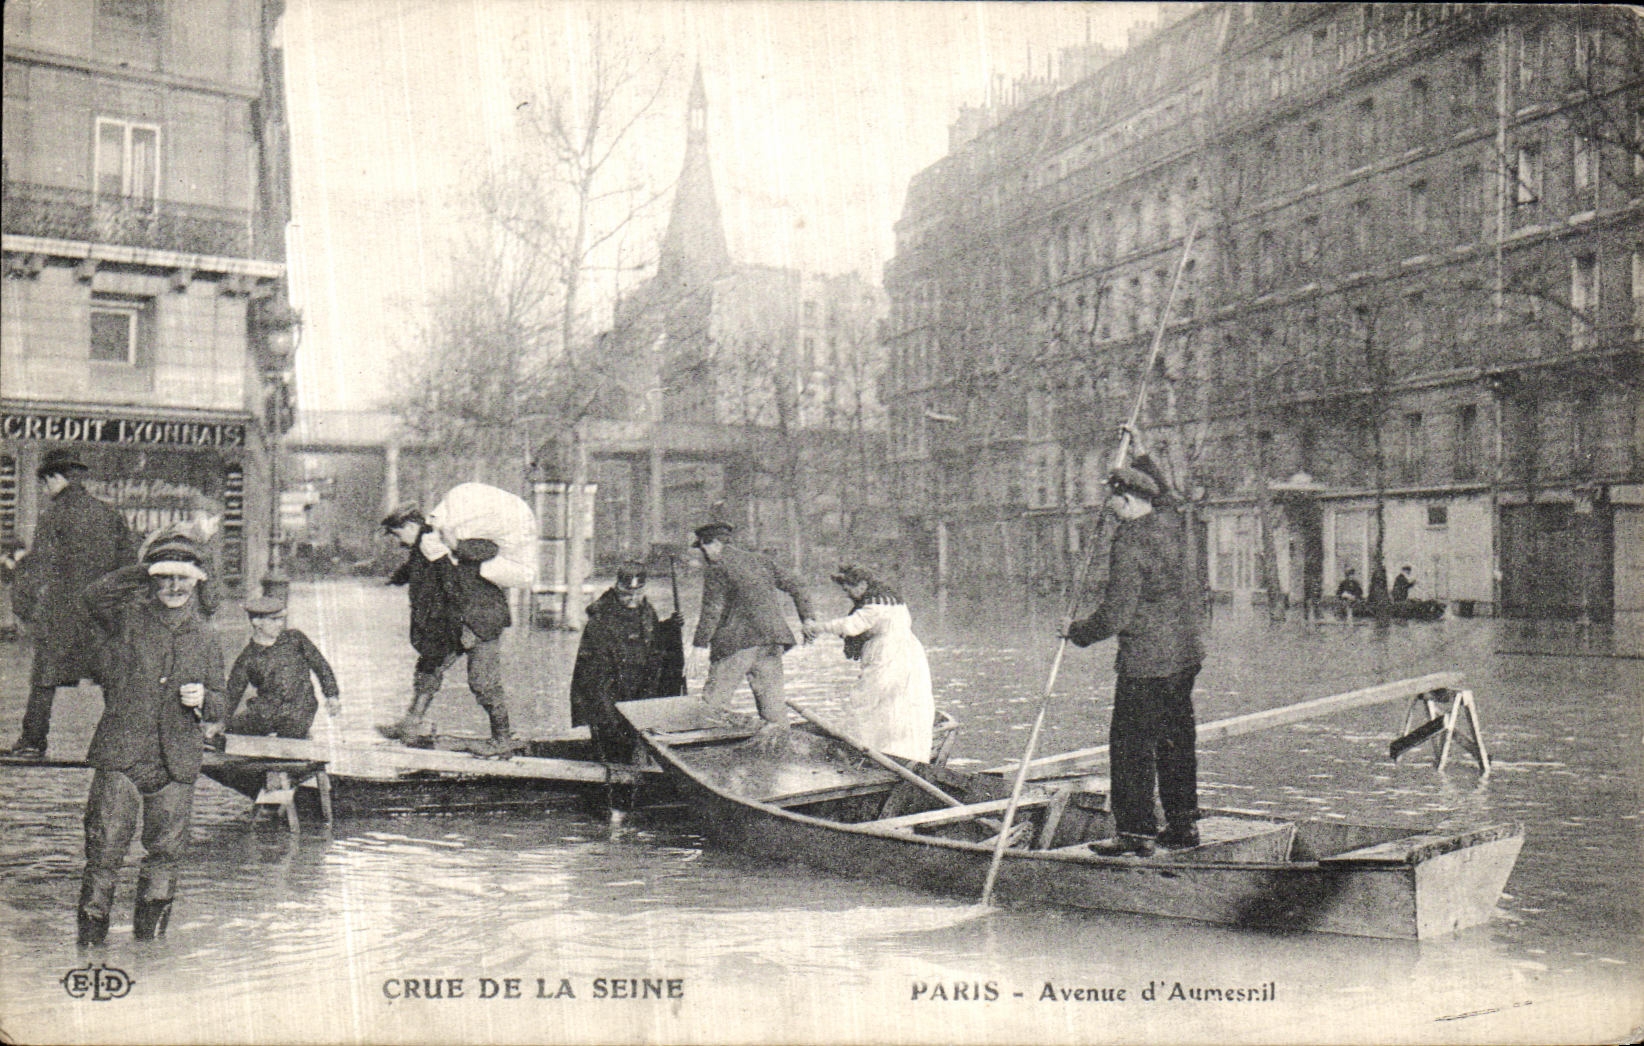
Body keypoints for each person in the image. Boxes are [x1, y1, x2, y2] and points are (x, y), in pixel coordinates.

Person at [76, 534, 226, 946]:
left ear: (198, 582)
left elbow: (222, 701)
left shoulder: (208, 635)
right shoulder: (126, 618)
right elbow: (93, 597)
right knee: (104, 853)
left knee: (165, 856)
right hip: (122, 753)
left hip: (174, 761)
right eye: (166, 579)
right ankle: (89, 950)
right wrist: (148, 566)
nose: (176, 588)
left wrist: (206, 701)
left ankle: (150, 952)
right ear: (153, 582)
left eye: (185, 578)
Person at [1065, 464, 1205, 858]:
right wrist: (1142, 452)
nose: (1107, 508)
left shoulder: (1128, 541)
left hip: (1146, 662)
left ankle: (1134, 833)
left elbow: (1116, 615)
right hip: (1186, 655)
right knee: (1176, 741)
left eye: (1111, 501)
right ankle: (1182, 825)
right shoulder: (1171, 520)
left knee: (1130, 747)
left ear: (1125, 500)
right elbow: (1165, 492)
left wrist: (1075, 631)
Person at [6, 448, 135, 760]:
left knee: (44, 680)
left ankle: (33, 741)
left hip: (60, 615)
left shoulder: (52, 517)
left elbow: (40, 570)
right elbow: (128, 567)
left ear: (56, 478)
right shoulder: (110, 515)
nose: (44, 489)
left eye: (45, 482)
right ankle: (127, 742)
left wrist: (24, 607)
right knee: (112, 680)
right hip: (101, 615)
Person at [379, 505, 520, 752]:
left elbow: (483, 554)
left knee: (482, 682)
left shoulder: (444, 536)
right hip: (453, 621)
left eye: (398, 535)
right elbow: (416, 568)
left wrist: (456, 547)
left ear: (410, 527)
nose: (399, 542)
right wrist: (395, 579)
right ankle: (411, 724)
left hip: (480, 620)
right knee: (429, 666)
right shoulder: (423, 545)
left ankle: (502, 738)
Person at [690, 522, 815, 734]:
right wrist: (808, 619)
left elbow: (713, 609)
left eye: (704, 549)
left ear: (715, 544)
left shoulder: (717, 568)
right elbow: (798, 585)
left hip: (736, 645)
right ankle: (780, 756)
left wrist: (698, 646)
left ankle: (707, 759)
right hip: (772, 642)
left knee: (712, 708)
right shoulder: (762, 561)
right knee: (774, 712)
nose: (704, 555)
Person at [803, 565, 935, 762]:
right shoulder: (891, 598)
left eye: (849, 588)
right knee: (902, 700)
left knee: (870, 699)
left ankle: (878, 748)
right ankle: (901, 748)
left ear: (863, 584)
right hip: (909, 653)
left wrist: (817, 627)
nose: (848, 594)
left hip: (887, 654)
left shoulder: (874, 604)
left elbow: (851, 626)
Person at [225, 596, 341, 739]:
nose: (280, 624)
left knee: (291, 733)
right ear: (257, 622)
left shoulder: (295, 639)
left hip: (300, 710)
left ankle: (296, 740)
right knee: (231, 728)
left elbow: (320, 666)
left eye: (281, 619)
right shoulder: (248, 658)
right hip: (266, 712)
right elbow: (232, 693)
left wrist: (332, 695)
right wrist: (218, 721)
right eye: (273, 620)